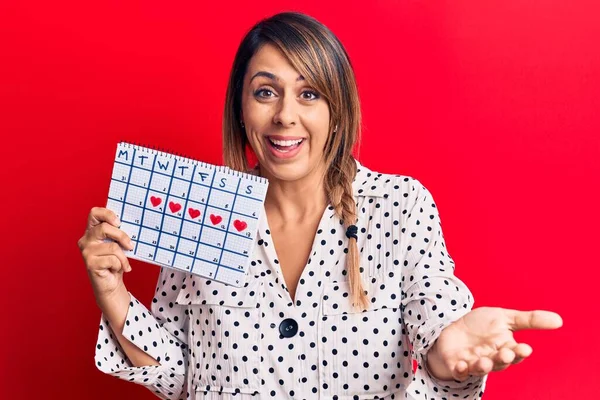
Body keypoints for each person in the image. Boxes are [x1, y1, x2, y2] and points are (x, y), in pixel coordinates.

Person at [79, 11, 563, 400]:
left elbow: (438, 324)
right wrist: (113, 293)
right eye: (265, 92)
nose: (285, 115)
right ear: (241, 109)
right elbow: (181, 379)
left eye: (308, 93)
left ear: (336, 111)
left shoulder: (399, 205)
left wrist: (446, 353)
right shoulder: (203, 210)